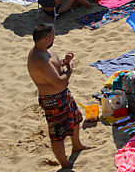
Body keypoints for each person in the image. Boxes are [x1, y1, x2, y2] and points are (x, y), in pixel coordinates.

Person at [27, 24, 93, 169]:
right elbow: (59, 82)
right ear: (46, 38)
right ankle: (64, 164)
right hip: (52, 100)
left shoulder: (45, 50)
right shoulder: (39, 59)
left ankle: (77, 145)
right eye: (53, 36)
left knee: (75, 118)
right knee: (57, 135)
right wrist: (70, 69)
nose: (54, 38)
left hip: (62, 95)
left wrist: (65, 62)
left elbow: (56, 68)